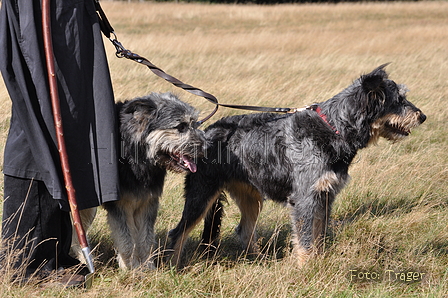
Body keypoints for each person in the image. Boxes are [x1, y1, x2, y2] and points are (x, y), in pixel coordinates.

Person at [0, 0, 119, 284]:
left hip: (66, 12)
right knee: (39, 128)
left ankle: (54, 253)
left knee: (71, 122)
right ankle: (24, 263)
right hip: (42, 12)